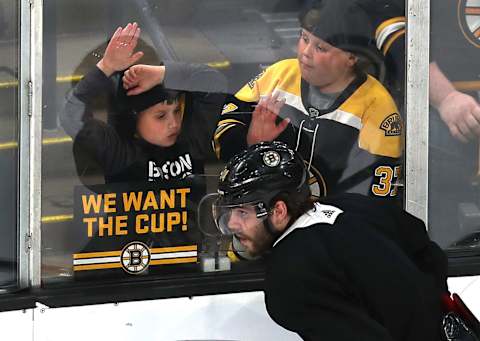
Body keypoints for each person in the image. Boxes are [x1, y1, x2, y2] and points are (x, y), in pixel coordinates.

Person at [212, 140, 448, 340]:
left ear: (279, 211)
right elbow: (431, 255)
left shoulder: (288, 277)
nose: (232, 224)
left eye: (242, 212)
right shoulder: (353, 204)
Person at [212, 0, 403, 201]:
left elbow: (375, 202)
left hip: (333, 229)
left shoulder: (377, 107)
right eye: (304, 38)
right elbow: (221, 136)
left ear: (351, 57)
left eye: (320, 47)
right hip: (269, 222)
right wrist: (251, 143)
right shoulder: (279, 75)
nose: (305, 52)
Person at [61, 22, 226, 185]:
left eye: (177, 111)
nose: (174, 123)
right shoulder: (118, 153)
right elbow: (71, 116)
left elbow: (214, 82)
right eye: (161, 116)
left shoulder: (191, 141)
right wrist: (106, 67)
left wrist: (162, 73)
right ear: (133, 117)